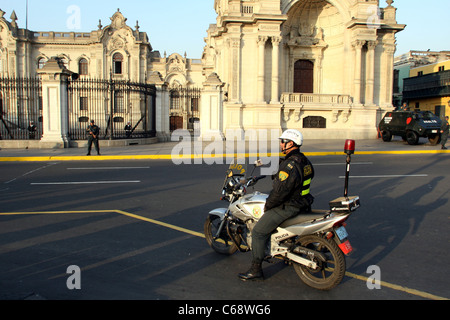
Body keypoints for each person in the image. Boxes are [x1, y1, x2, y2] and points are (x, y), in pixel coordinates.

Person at [239, 129, 315, 281]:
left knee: (259, 232)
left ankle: (256, 269)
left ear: (291, 143)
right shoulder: (304, 161)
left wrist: (268, 205)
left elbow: (280, 192)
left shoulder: (290, 166)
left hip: (289, 206)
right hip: (303, 202)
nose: (281, 144)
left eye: (283, 141)